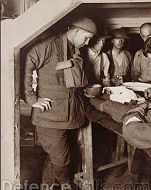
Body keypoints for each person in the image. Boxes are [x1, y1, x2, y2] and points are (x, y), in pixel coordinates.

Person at [23, 17, 97, 189]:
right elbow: (26, 64)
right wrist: (31, 98)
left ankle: (47, 186)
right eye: (86, 38)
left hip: (69, 113)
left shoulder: (74, 48)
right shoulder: (49, 45)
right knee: (61, 159)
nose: (87, 43)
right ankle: (66, 186)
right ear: (76, 31)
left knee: (57, 156)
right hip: (50, 115)